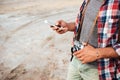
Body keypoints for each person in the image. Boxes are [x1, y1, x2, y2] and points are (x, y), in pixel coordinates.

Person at [51, 0, 120, 80]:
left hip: (99, 70)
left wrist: (97, 53)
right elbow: (86, 24)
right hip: (76, 61)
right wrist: (68, 26)